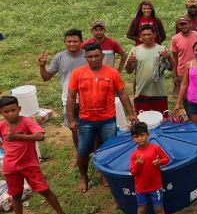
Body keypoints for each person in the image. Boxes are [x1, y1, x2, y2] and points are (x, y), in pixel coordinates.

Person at [0, 96, 76, 214]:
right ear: (1, 112)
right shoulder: (2, 126)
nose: (10, 114)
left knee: (44, 190)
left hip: (30, 165)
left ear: (19, 109)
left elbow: (40, 136)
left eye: (13, 110)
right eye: (6, 112)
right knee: (15, 195)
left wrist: (17, 137)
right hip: (11, 167)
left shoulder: (27, 122)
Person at [67, 43, 137, 193]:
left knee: (108, 149)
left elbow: (122, 93)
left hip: (108, 119)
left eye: (96, 56)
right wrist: (72, 119)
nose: (93, 59)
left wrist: (131, 113)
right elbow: (72, 97)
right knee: (82, 151)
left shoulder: (112, 73)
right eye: (90, 57)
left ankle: (105, 175)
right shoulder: (77, 73)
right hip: (86, 120)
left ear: (102, 56)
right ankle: (84, 177)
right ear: (85, 57)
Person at [37, 29, 86, 149]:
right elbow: (46, 78)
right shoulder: (59, 57)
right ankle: (80, 154)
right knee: (75, 129)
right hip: (69, 101)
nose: (72, 44)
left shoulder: (88, 55)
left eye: (75, 41)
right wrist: (42, 66)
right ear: (64, 42)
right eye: (69, 41)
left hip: (88, 99)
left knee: (91, 128)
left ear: (81, 42)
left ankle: (95, 153)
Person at [129, 122, 170, 214]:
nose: (140, 139)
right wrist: (138, 164)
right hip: (141, 188)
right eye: (136, 136)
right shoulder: (134, 155)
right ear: (133, 139)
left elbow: (166, 159)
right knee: (141, 210)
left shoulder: (155, 148)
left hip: (155, 186)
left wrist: (159, 162)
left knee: (159, 209)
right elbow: (133, 172)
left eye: (142, 135)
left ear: (148, 134)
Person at [125, 25, 173, 113]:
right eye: (144, 35)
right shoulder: (135, 51)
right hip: (141, 92)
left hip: (159, 93)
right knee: (143, 121)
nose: (146, 37)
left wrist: (169, 57)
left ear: (154, 34)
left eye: (149, 34)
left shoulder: (162, 49)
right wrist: (129, 63)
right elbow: (129, 71)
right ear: (140, 36)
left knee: (161, 120)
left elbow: (171, 68)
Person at [171, 16, 197, 95]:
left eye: (185, 24)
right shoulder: (175, 39)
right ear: (178, 26)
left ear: (190, 24)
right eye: (181, 25)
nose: (183, 26)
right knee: (185, 97)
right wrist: (174, 74)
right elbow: (175, 58)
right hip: (182, 72)